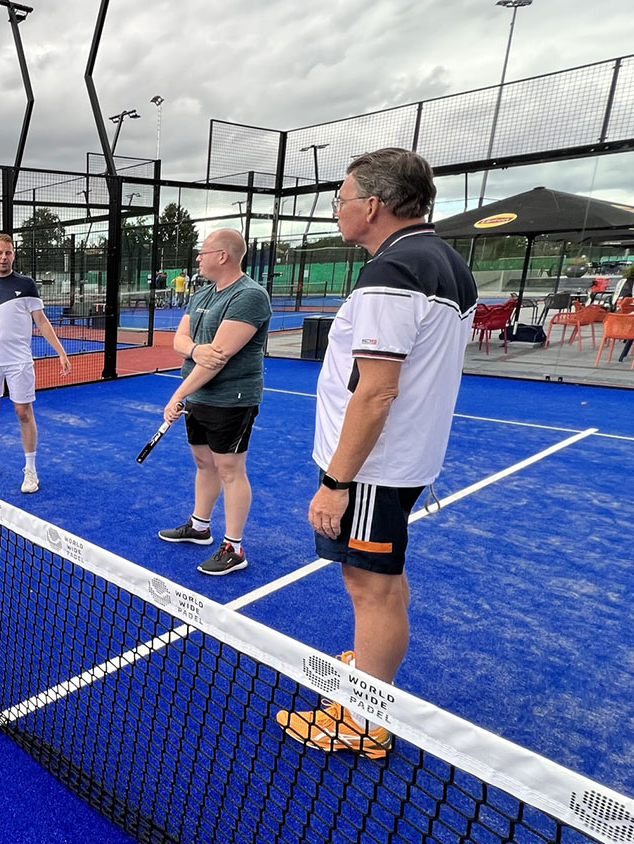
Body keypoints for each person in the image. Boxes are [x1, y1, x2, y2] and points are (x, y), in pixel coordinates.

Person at [275, 148, 476, 761]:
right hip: (400, 461)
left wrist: (336, 482)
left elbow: (377, 390)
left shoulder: (393, 271)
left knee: (369, 585)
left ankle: (364, 719)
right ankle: (370, 671)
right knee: (382, 580)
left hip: (374, 468)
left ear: (372, 205)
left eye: (341, 199)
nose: (336, 210)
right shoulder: (444, 260)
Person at [157, 229, 272, 575]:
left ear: (223, 256)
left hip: (231, 399)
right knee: (203, 462)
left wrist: (178, 393)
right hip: (200, 395)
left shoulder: (249, 296)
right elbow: (179, 339)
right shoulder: (202, 294)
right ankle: (199, 527)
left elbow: (218, 358)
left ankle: (234, 548)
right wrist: (194, 350)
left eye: (203, 252)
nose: (198, 258)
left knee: (230, 470)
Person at [0, 233, 72, 494]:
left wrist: (61, 352)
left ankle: (30, 470)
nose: (4, 257)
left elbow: (41, 320)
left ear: (13, 255)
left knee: (23, 412)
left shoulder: (27, 285)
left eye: (8, 252)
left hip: (19, 361)